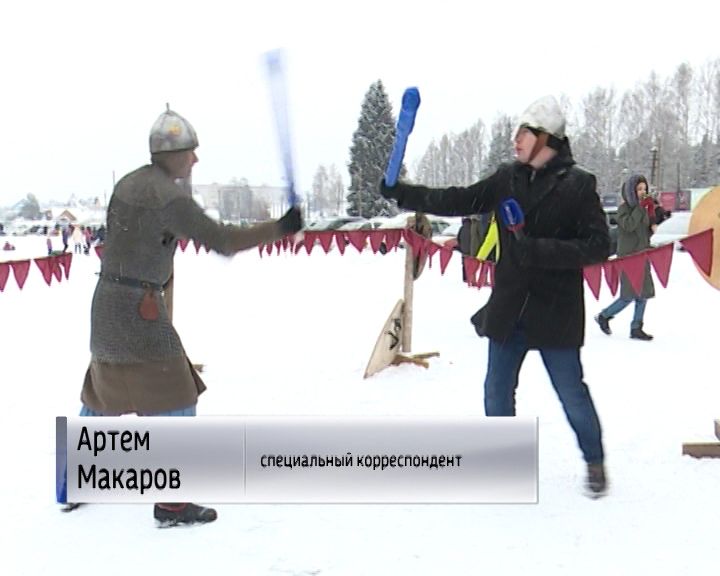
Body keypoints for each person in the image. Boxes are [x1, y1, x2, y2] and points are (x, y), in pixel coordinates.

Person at [64, 105, 303, 525]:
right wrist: (281, 227)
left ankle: (72, 481)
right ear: (173, 155)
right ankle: (173, 503)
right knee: (177, 394)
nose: (195, 159)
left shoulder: (129, 183)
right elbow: (223, 240)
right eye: (190, 152)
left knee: (104, 390)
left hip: (107, 305)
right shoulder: (167, 197)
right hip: (139, 313)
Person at [380, 95, 611, 497]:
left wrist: (538, 250)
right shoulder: (507, 178)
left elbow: (598, 246)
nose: (515, 140)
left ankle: (594, 460)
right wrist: (403, 193)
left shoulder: (579, 184)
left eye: (524, 132)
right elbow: (457, 199)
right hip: (510, 308)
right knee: (496, 391)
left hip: (556, 311)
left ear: (546, 138)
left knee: (572, 393)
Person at [595, 174, 655, 341]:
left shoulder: (642, 210)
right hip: (628, 258)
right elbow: (629, 226)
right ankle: (604, 316)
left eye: (644, 189)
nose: (643, 192)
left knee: (643, 294)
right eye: (639, 189)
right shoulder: (624, 209)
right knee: (628, 295)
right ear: (631, 191)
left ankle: (636, 327)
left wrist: (652, 222)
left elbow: (643, 232)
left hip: (642, 255)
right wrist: (640, 208)